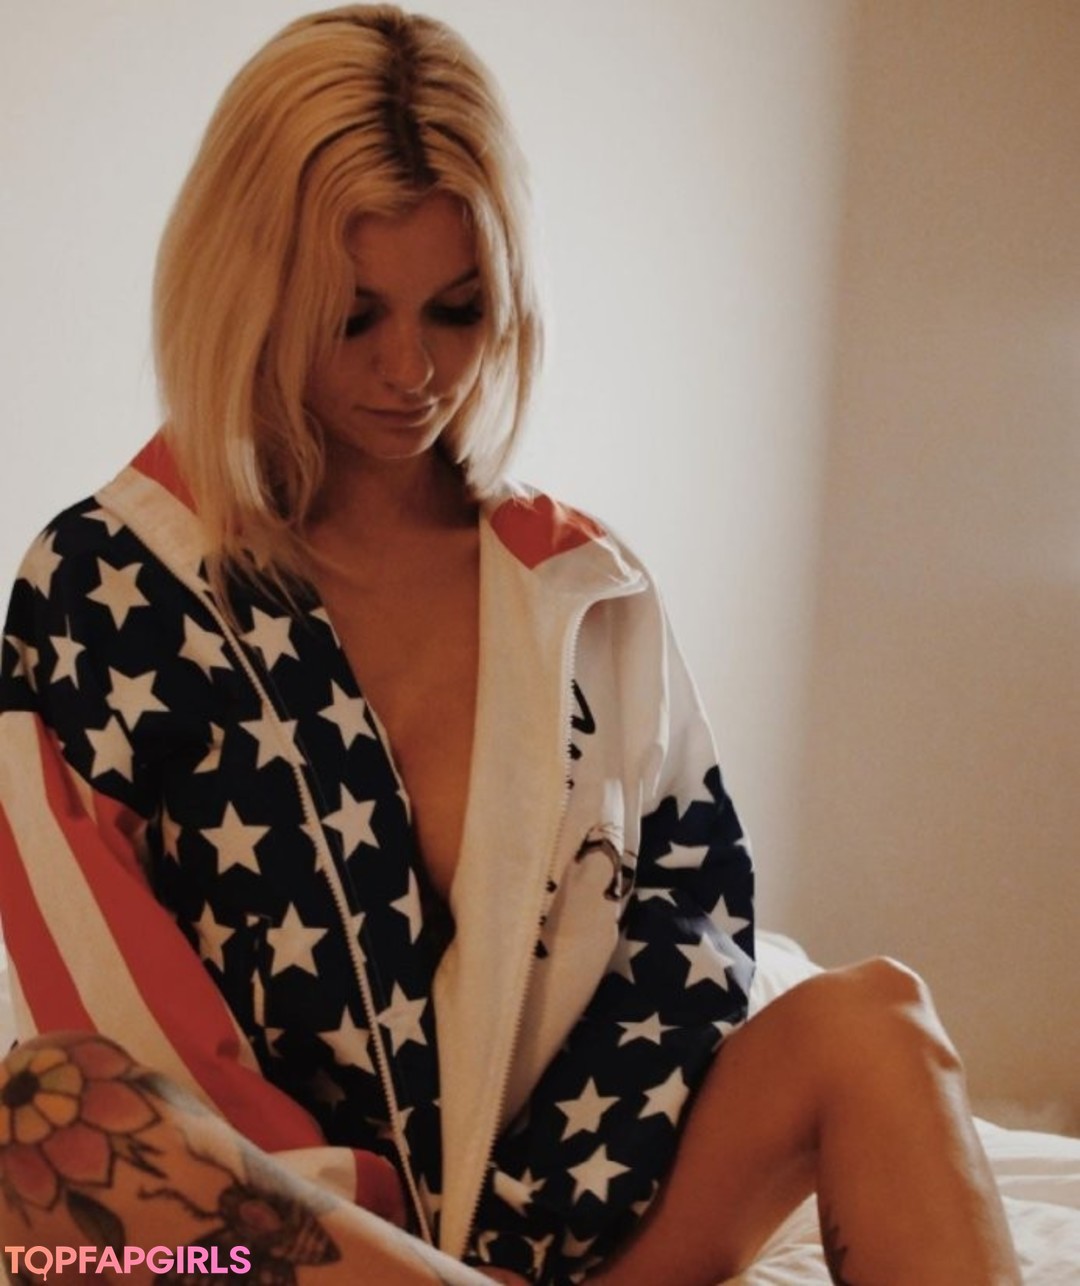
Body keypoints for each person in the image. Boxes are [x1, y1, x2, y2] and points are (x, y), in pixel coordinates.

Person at [0, 6, 1021, 1284]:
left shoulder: (582, 591)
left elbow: (689, 925)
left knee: (879, 1021)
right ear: (246, 292)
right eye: (351, 317)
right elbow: (104, 1000)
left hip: (563, 1228)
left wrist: (540, 1217)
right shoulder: (107, 585)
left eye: (458, 308)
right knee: (40, 1122)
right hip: (274, 1256)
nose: (411, 370)